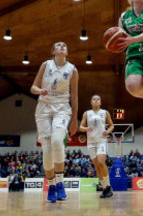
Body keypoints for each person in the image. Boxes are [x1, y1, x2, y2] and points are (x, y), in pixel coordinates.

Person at [30, 42, 79, 203]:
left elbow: (75, 97)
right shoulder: (46, 65)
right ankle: (51, 185)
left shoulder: (73, 69)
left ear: (67, 51)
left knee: (58, 141)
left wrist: (74, 121)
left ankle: (60, 183)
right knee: (47, 149)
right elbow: (33, 88)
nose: (62, 46)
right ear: (53, 51)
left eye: (65, 45)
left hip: (62, 108)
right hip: (43, 108)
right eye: (58, 45)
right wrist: (40, 90)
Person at [79, 94, 114, 198]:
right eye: (94, 99)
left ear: (100, 102)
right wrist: (86, 129)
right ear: (91, 102)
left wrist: (107, 131)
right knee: (97, 167)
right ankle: (104, 188)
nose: (96, 100)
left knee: (101, 161)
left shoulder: (105, 112)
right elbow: (81, 127)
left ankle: (108, 186)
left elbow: (112, 125)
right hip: (90, 143)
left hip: (101, 141)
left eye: (98, 99)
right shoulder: (86, 113)